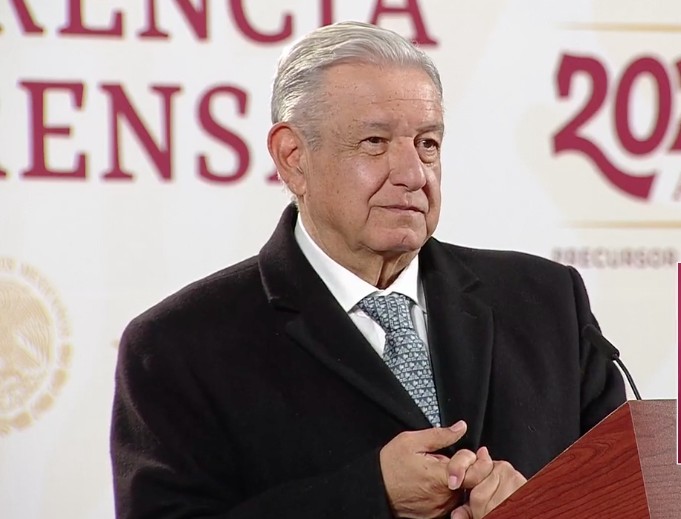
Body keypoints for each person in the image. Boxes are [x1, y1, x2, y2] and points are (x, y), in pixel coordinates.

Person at [110, 21, 625, 519]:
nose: (413, 174)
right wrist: (369, 496)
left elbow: (629, 494)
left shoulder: (546, 302)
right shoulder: (178, 347)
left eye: (427, 143)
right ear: (293, 157)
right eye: (374, 143)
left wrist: (545, 509)